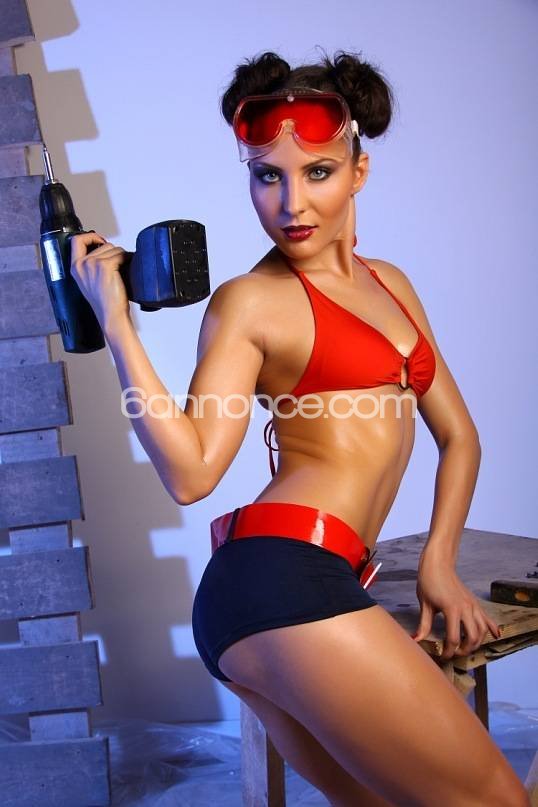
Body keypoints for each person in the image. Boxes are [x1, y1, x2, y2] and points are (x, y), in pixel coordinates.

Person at [69, 49, 529, 807]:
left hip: (315, 578)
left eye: (317, 172)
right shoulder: (250, 302)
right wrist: (118, 324)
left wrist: (440, 562)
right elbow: (190, 473)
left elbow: (460, 437)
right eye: (266, 176)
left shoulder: (391, 284)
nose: (291, 204)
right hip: (280, 580)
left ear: (358, 172)